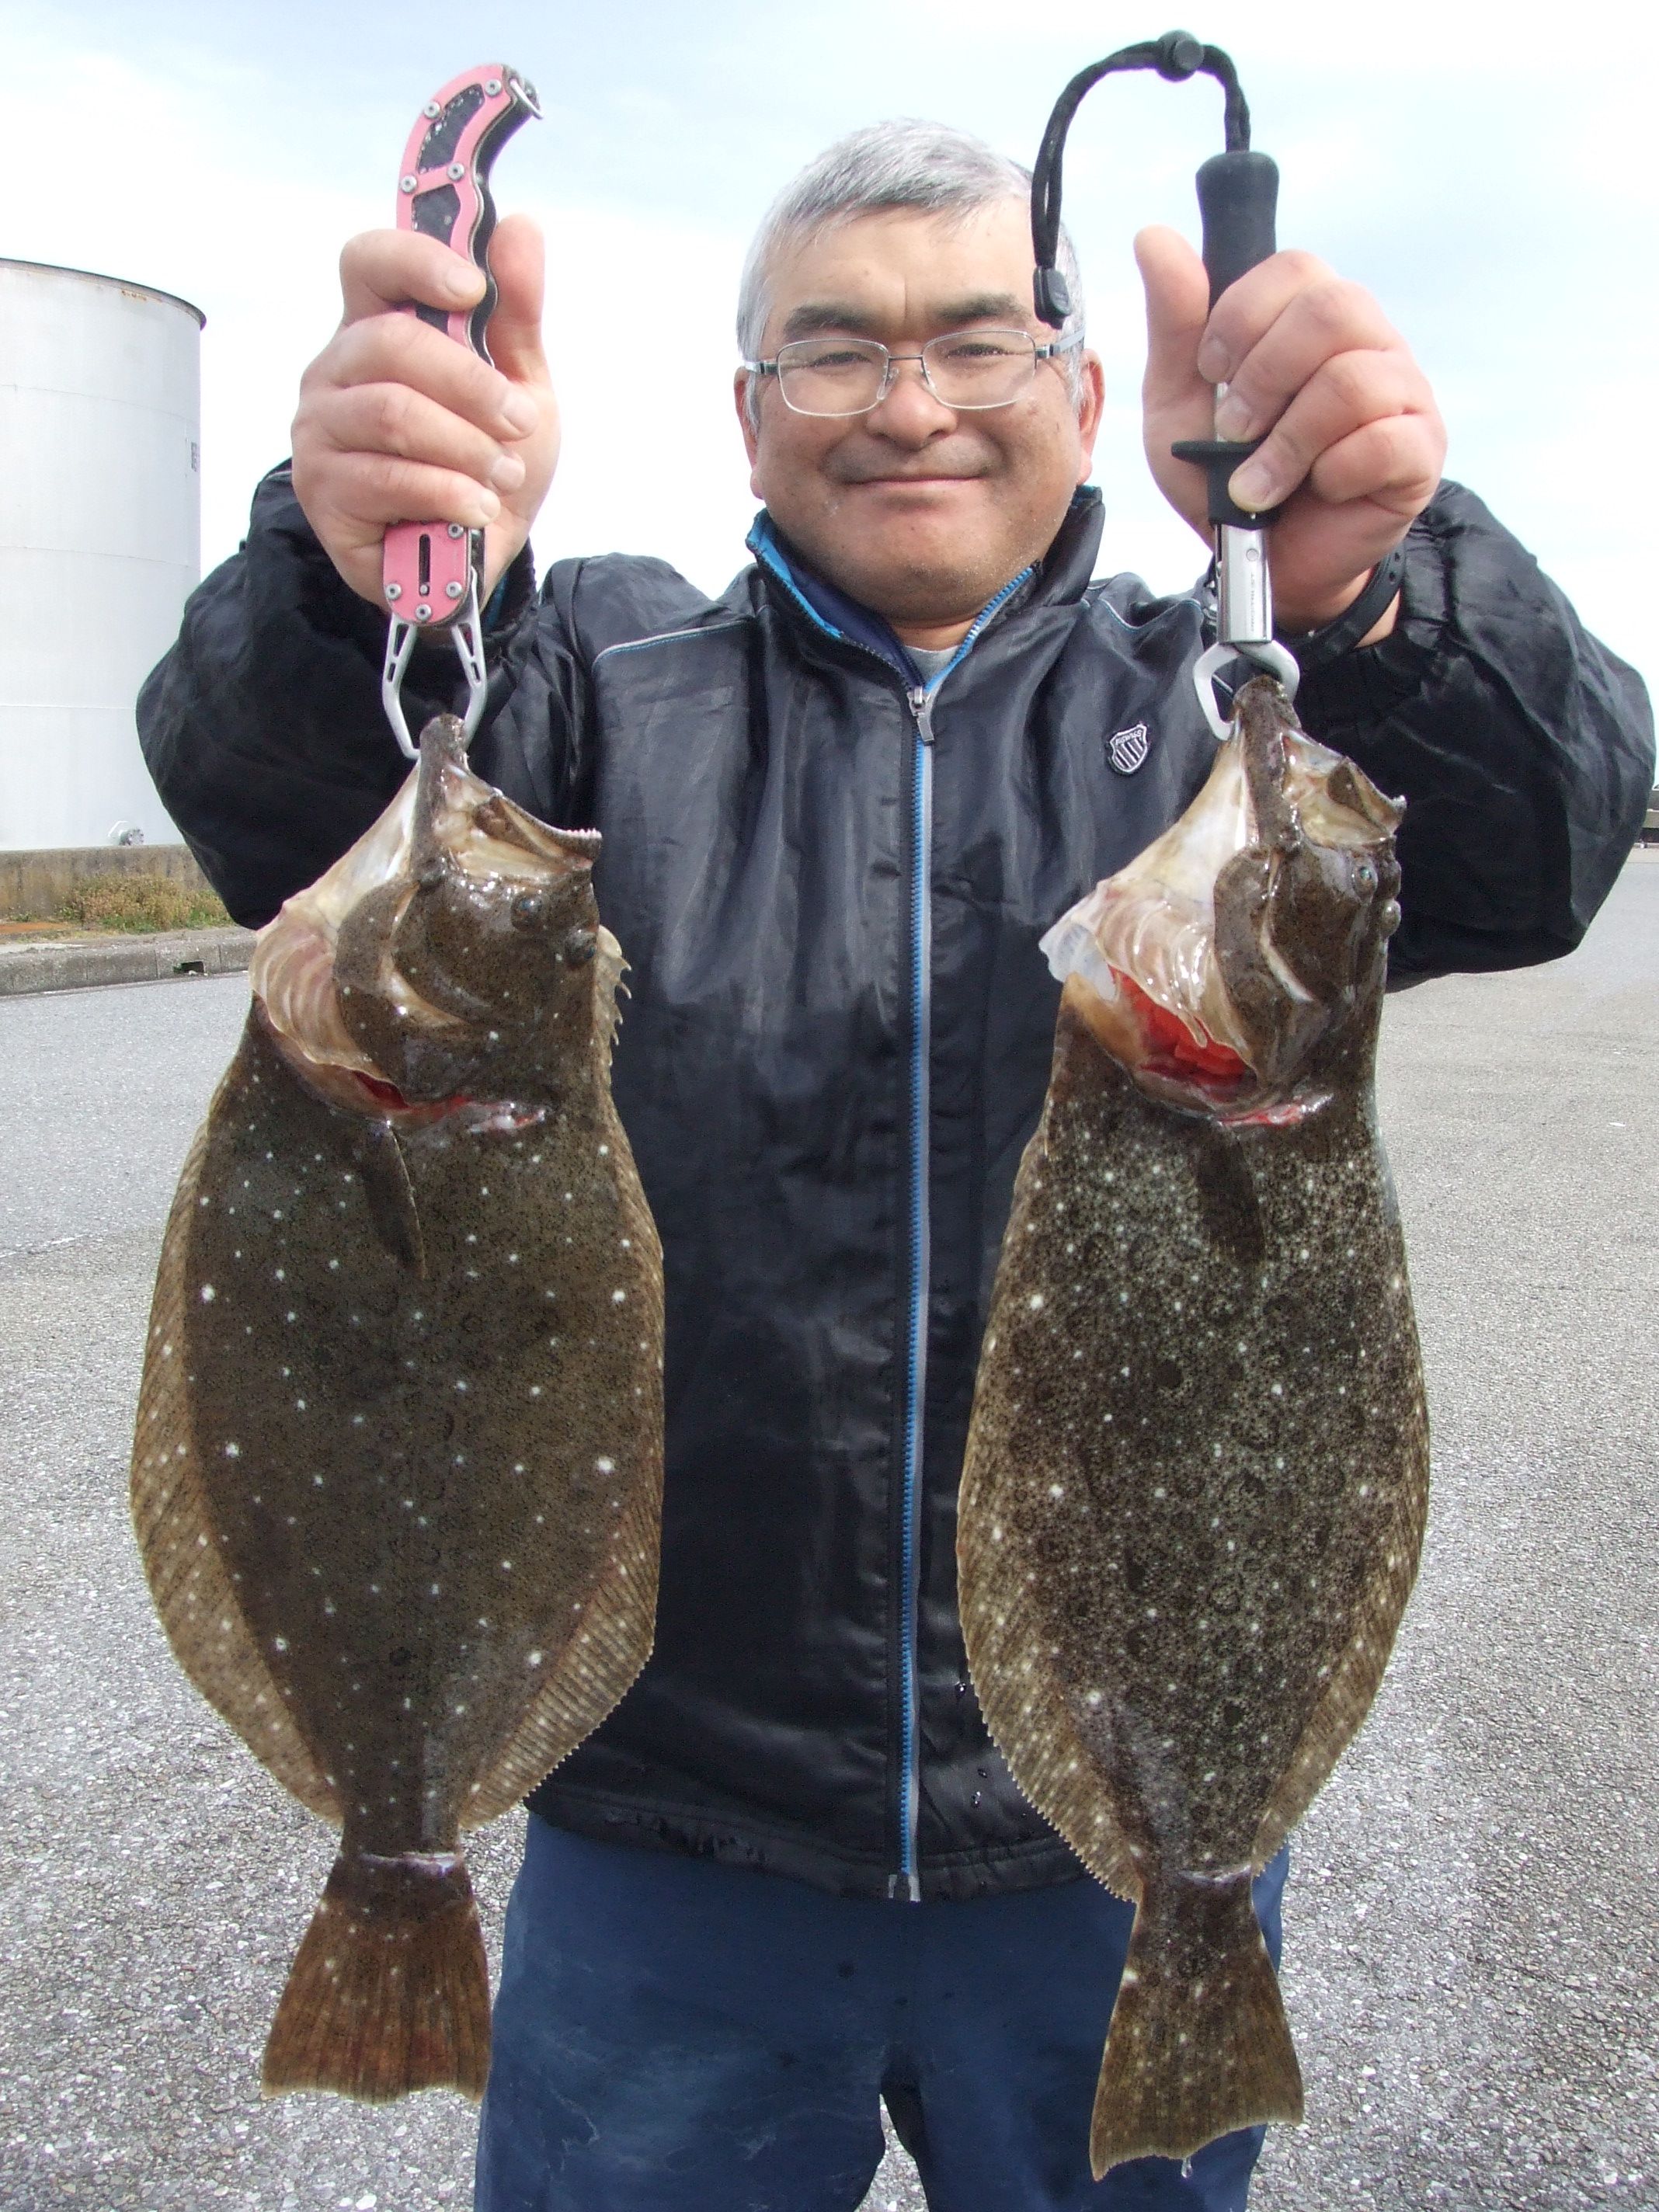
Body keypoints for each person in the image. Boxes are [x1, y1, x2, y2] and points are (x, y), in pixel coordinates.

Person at [140, 121, 1652, 2212]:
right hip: (675, 1829)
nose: (912, 402)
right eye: (836, 348)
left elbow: (1540, 848)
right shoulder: (585, 697)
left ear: (1087, 391)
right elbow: (280, 799)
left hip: (1100, 1845)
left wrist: (1375, 589)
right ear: (747, 412)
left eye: (978, 340)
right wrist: (354, 576)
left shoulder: (1229, 718)